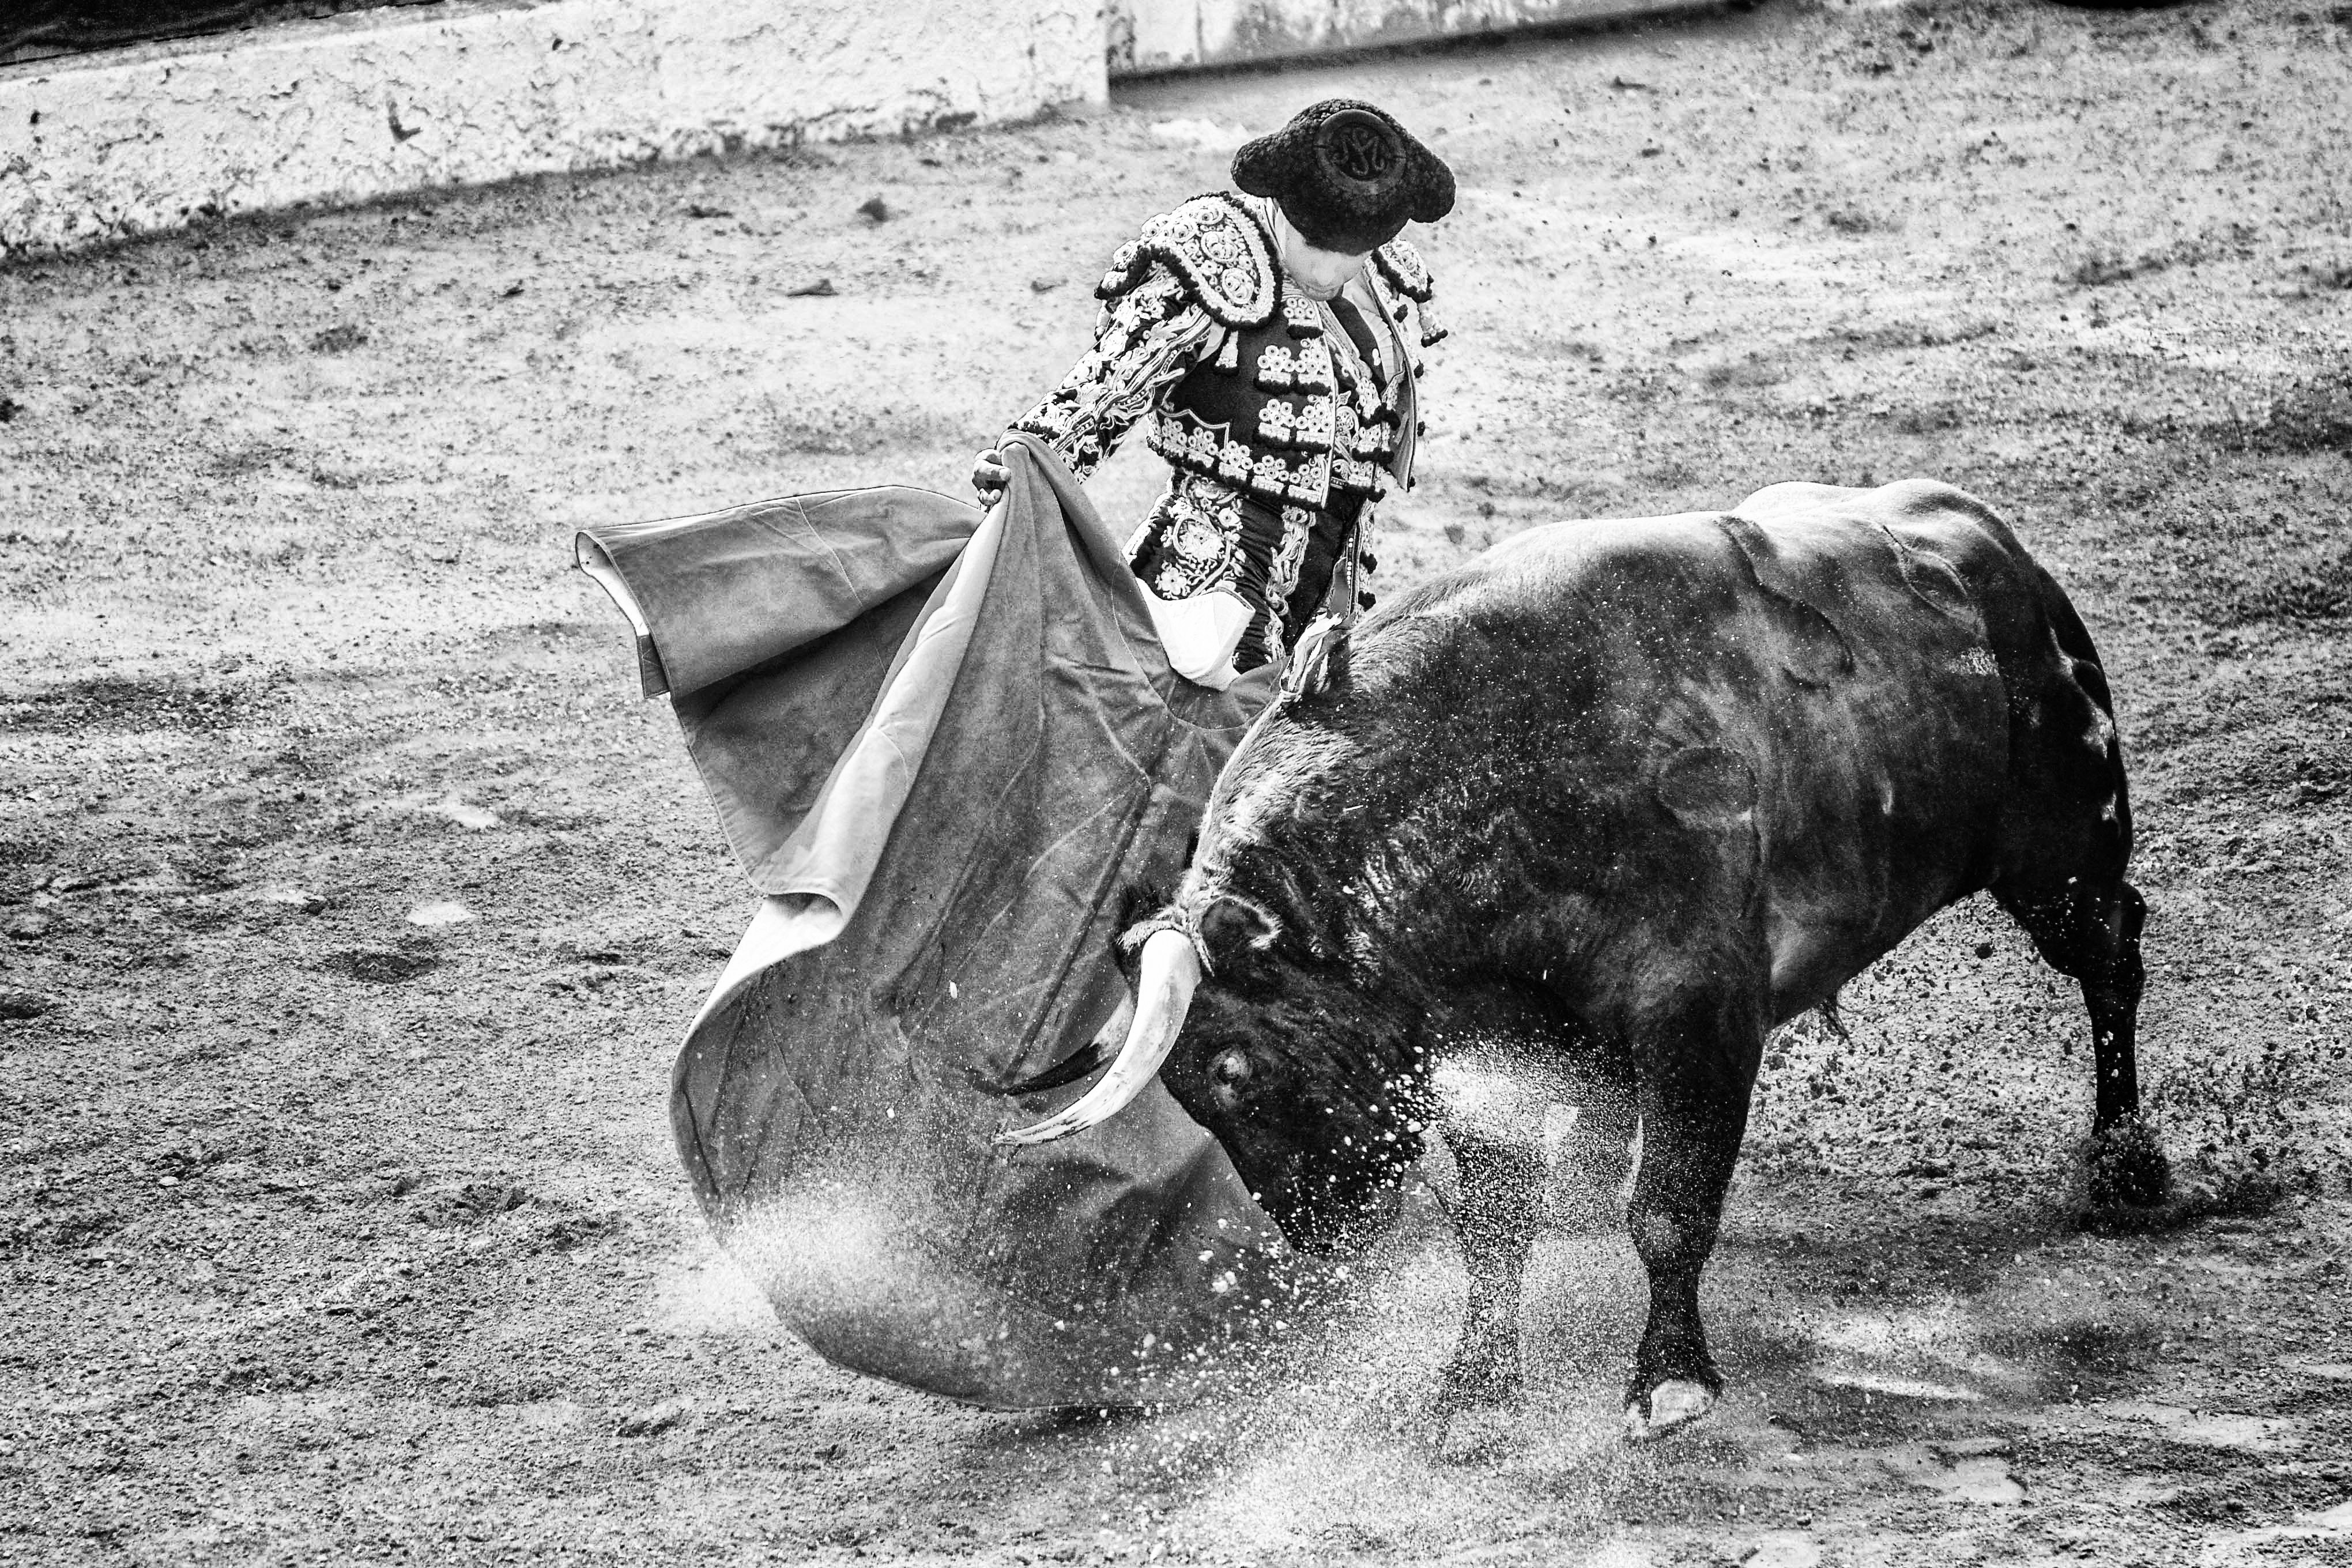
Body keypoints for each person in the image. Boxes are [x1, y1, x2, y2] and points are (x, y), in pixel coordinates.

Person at [972, 98, 1454, 689]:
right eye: (1314, 246)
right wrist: (1023, 460)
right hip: (1205, 589)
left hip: (1328, 597)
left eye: (1351, 256)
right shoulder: (1213, 258)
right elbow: (1108, 390)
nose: (1330, 272)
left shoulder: (1383, 284)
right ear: (1280, 206)